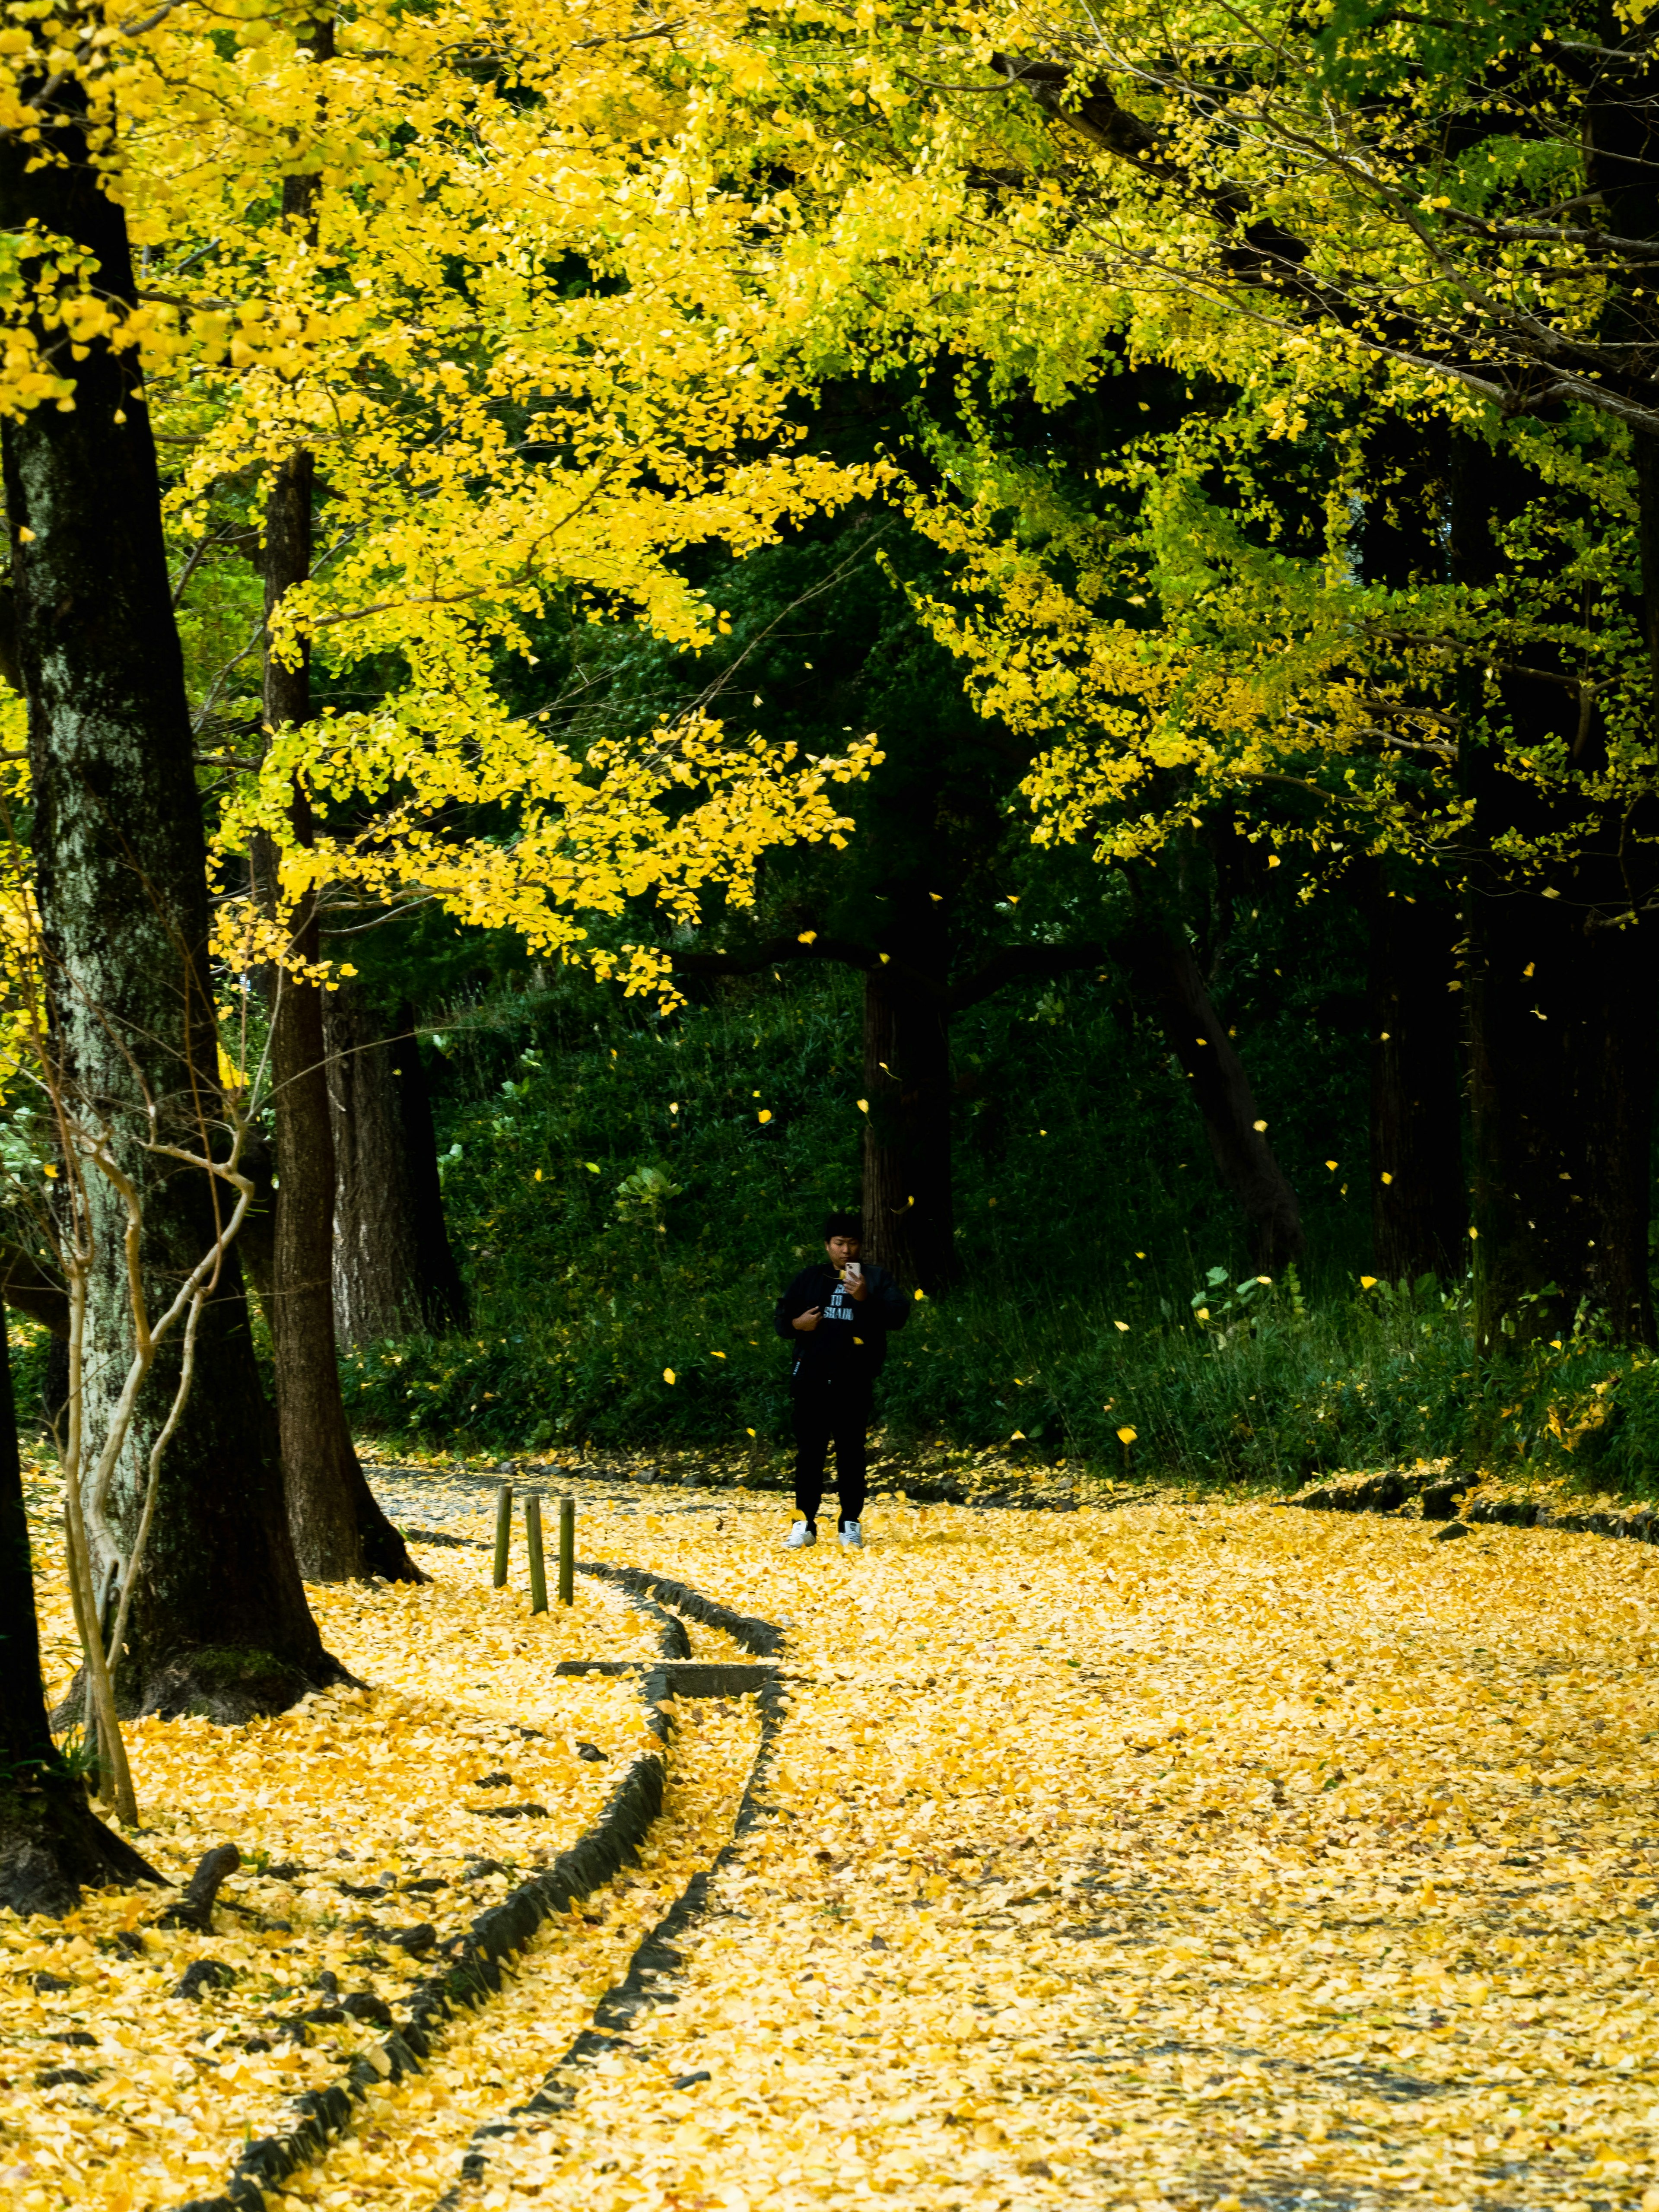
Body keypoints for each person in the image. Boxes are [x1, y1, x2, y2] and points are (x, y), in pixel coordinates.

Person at [773, 1210, 909, 1550]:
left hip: (855, 1380)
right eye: (839, 1244)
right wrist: (796, 1325)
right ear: (827, 1246)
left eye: (852, 1244)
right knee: (810, 1454)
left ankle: (850, 1522)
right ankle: (803, 1523)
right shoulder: (810, 1279)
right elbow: (781, 1321)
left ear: (860, 1245)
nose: (845, 1251)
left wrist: (865, 1298)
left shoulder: (875, 1278)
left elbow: (898, 1316)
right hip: (812, 1380)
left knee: (851, 1454)